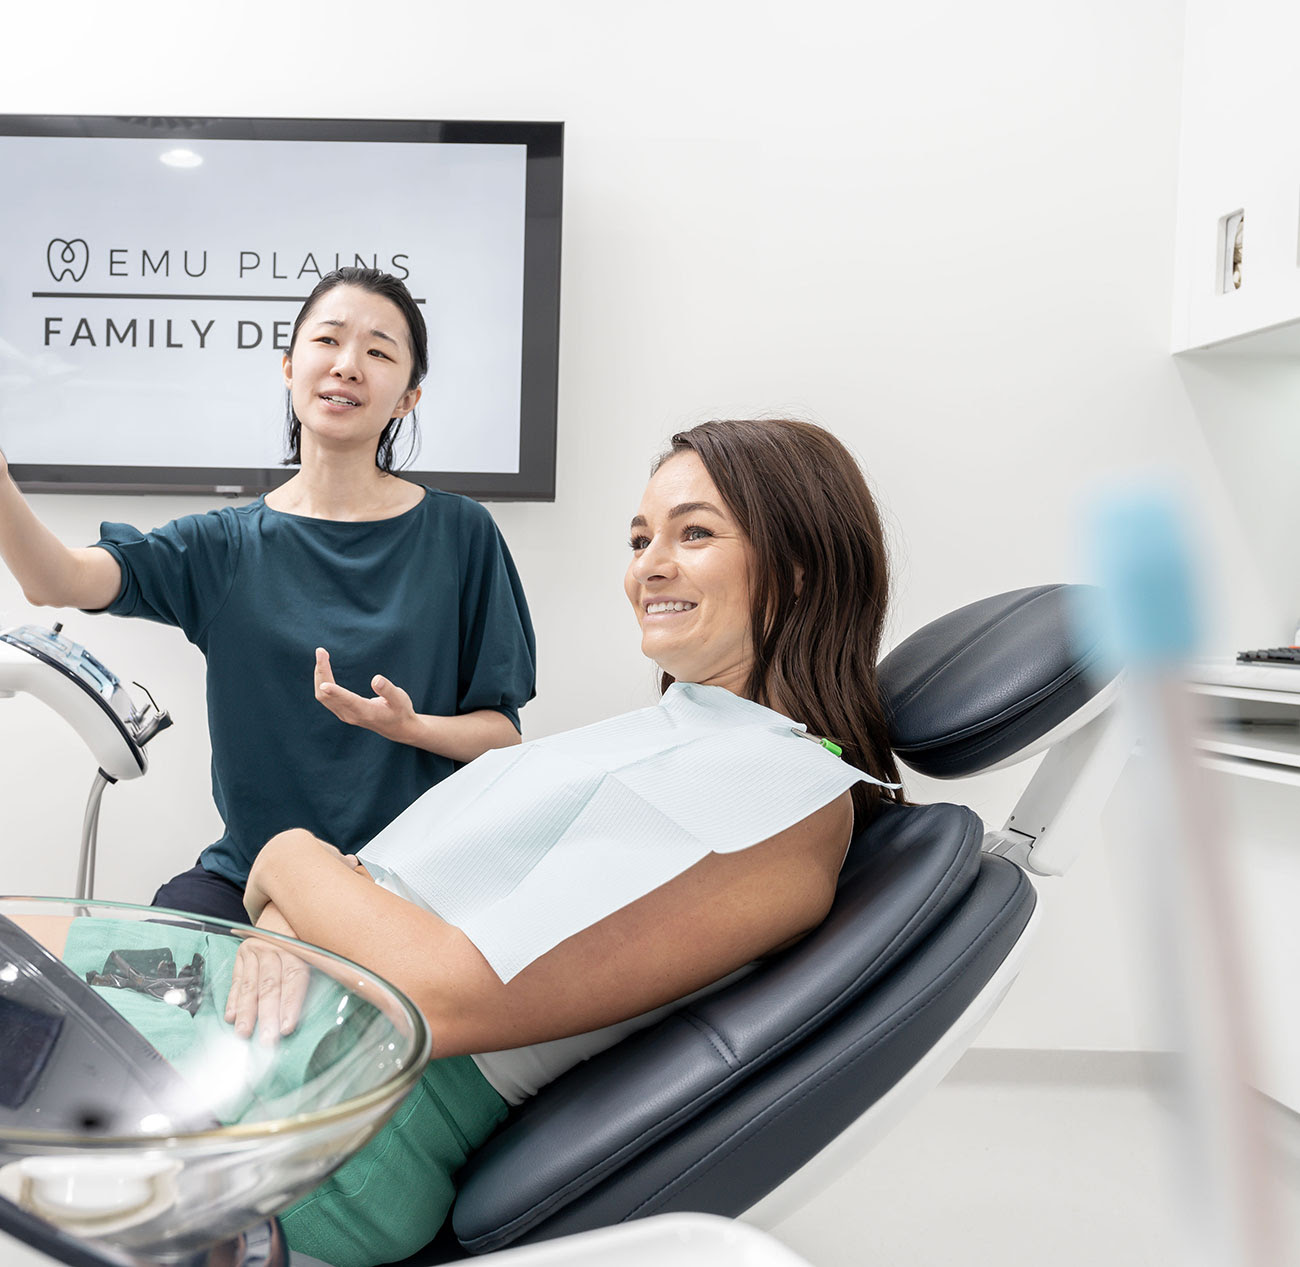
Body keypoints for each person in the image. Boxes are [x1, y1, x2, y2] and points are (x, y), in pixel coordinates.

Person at [223, 417, 906, 1266]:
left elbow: (442, 991)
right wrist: (294, 911)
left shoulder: (779, 793)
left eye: (695, 532)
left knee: (17, 989)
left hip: (330, 1110)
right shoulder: (698, 734)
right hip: (289, 1028)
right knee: (26, 961)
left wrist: (289, 856)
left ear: (800, 568)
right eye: (640, 537)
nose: (648, 566)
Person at [0, 269, 536, 924]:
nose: (348, 364)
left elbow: (503, 735)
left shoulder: (461, 534)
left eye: (379, 351)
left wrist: (410, 727)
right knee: (154, 975)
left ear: (408, 397)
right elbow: (57, 579)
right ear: (288, 365)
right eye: (327, 340)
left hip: (408, 882)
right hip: (250, 879)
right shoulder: (225, 547)